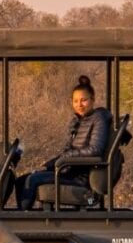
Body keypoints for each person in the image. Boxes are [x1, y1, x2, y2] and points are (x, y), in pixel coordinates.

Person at [15, 75, 113, 210]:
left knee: (32, 180)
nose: (79, 104)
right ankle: (22, 214)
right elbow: (67, 151)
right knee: (21, 180)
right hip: (67, 170)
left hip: (79, 178)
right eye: (76, 101)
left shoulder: (98, 119)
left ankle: (25, 218)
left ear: (92, 100)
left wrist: (67, 157)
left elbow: (95, 150)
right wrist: (48, 166)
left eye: (84, 100)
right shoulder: (77, 122)